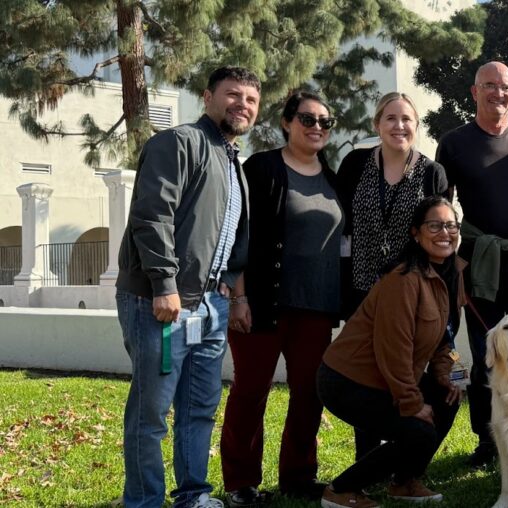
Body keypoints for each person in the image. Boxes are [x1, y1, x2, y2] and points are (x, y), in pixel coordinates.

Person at [114, 66, 259, 508]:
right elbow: (152, 215)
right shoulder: (179, 143)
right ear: (207, 97)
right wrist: (164, 283)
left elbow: (231, 237)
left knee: (199, 408)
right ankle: (144, 501)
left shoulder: (232, 161)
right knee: (152, 413)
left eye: (251, 100)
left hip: (210, 306)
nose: (242, 105)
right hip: (162, 301)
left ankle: (193, 495)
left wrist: (232, 291)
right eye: (233, 95)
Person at [219, 91, 342, 505]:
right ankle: (240, 483)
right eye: (307, 119)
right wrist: (238, 296)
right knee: (251, 392)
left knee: (309, 394)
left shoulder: (332, 176)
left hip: (317, 307)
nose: (316, 127)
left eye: (325, 122)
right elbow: (237, 232)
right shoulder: (262, 168)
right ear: (287, 123)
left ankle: (298, 476)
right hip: (262, 302)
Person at [316, 196, 464, 507]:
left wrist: (446, 375)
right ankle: (341, 490)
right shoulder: (404, 279)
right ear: (416, 233)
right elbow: (393, 348)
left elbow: (444, 339)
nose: (445, 233)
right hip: (348, 381)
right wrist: (412, 403)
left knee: (447, 399)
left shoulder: (449, 274)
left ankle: (404, 482)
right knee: (419, 431)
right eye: (435, 226)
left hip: (387, 378)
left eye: (451, 226)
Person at [435, 61, 508, 468]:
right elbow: (442, 208)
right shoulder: (454, 143)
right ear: (474, 92)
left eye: (506, 87)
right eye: (491, 86)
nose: (499, 93)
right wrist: (455, 262)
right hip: (479, 266)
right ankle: (488, 440)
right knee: (489, 356)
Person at [334, 91, 448, 458]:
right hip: (362, 286)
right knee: (366, 375)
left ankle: (403, 456)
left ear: (416, 125)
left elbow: (440, 234)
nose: (399, 126)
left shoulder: (432, 173)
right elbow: (341, 227)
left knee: (403, 369)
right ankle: (367, 457)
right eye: (391, 118)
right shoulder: (355, 164)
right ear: (377, 124)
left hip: (409, 292)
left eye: (407, 119)